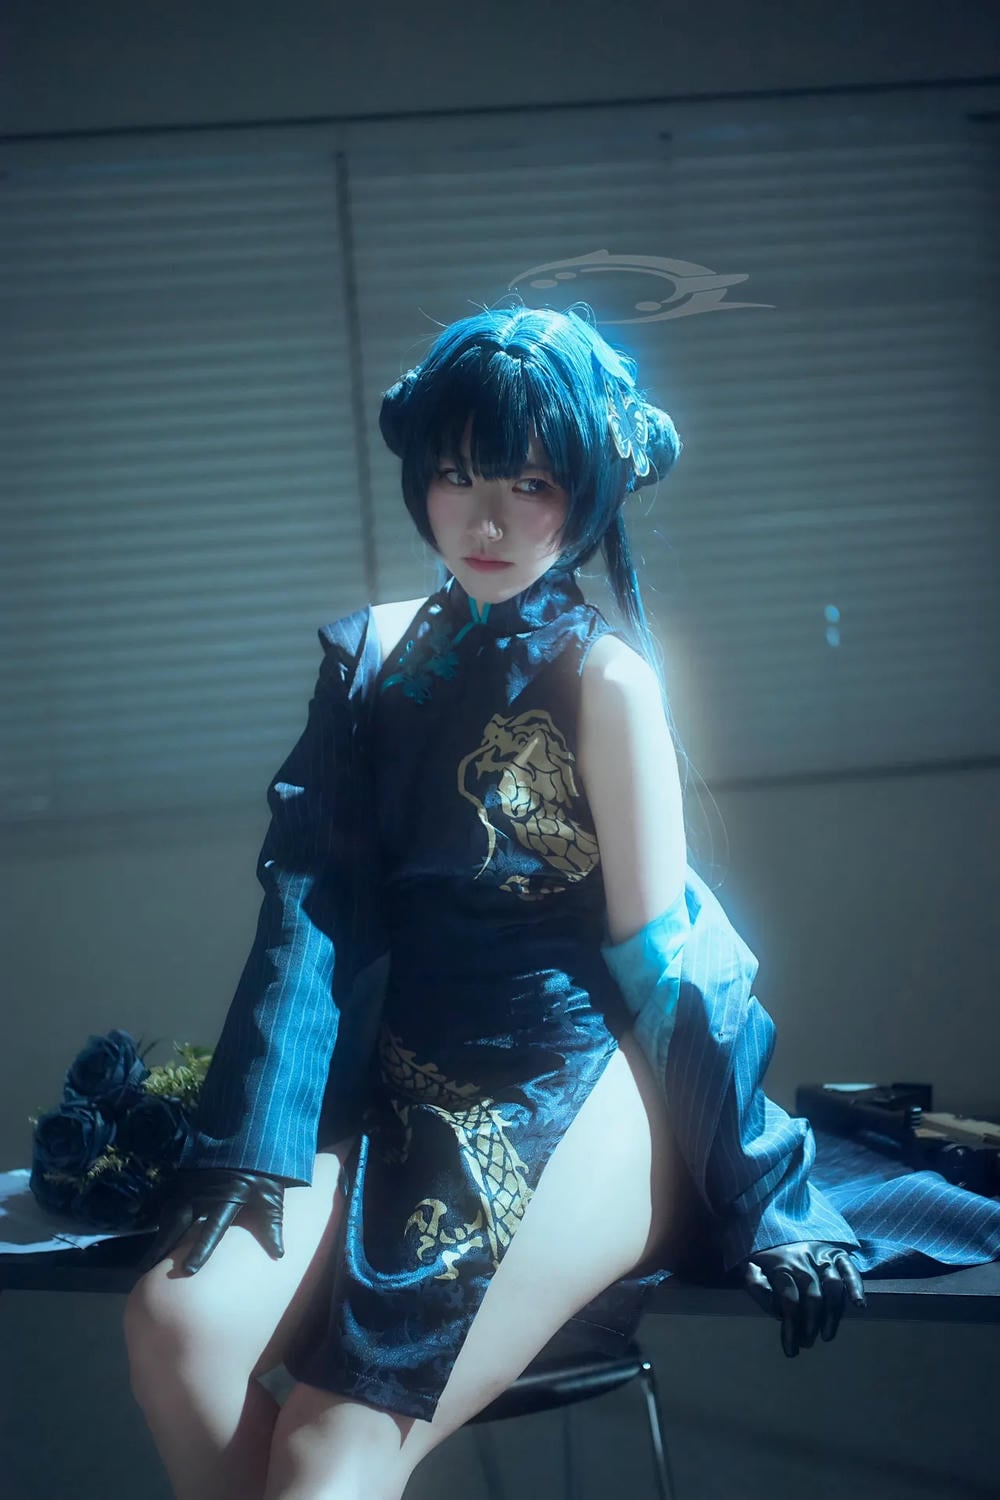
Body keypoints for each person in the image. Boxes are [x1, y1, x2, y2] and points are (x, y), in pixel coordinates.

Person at [123, 303, 867, 1500]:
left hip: (571, 1079)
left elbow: (667, 960)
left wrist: (765, 1192)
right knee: (176, 1329)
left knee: (328, 1449)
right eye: (458, 474)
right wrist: (255, 1146)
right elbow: (308, 912)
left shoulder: (605, 680)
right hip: (395, 1071)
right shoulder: (368, 661)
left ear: (588, 492)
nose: (485, 519)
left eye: (528, 483)